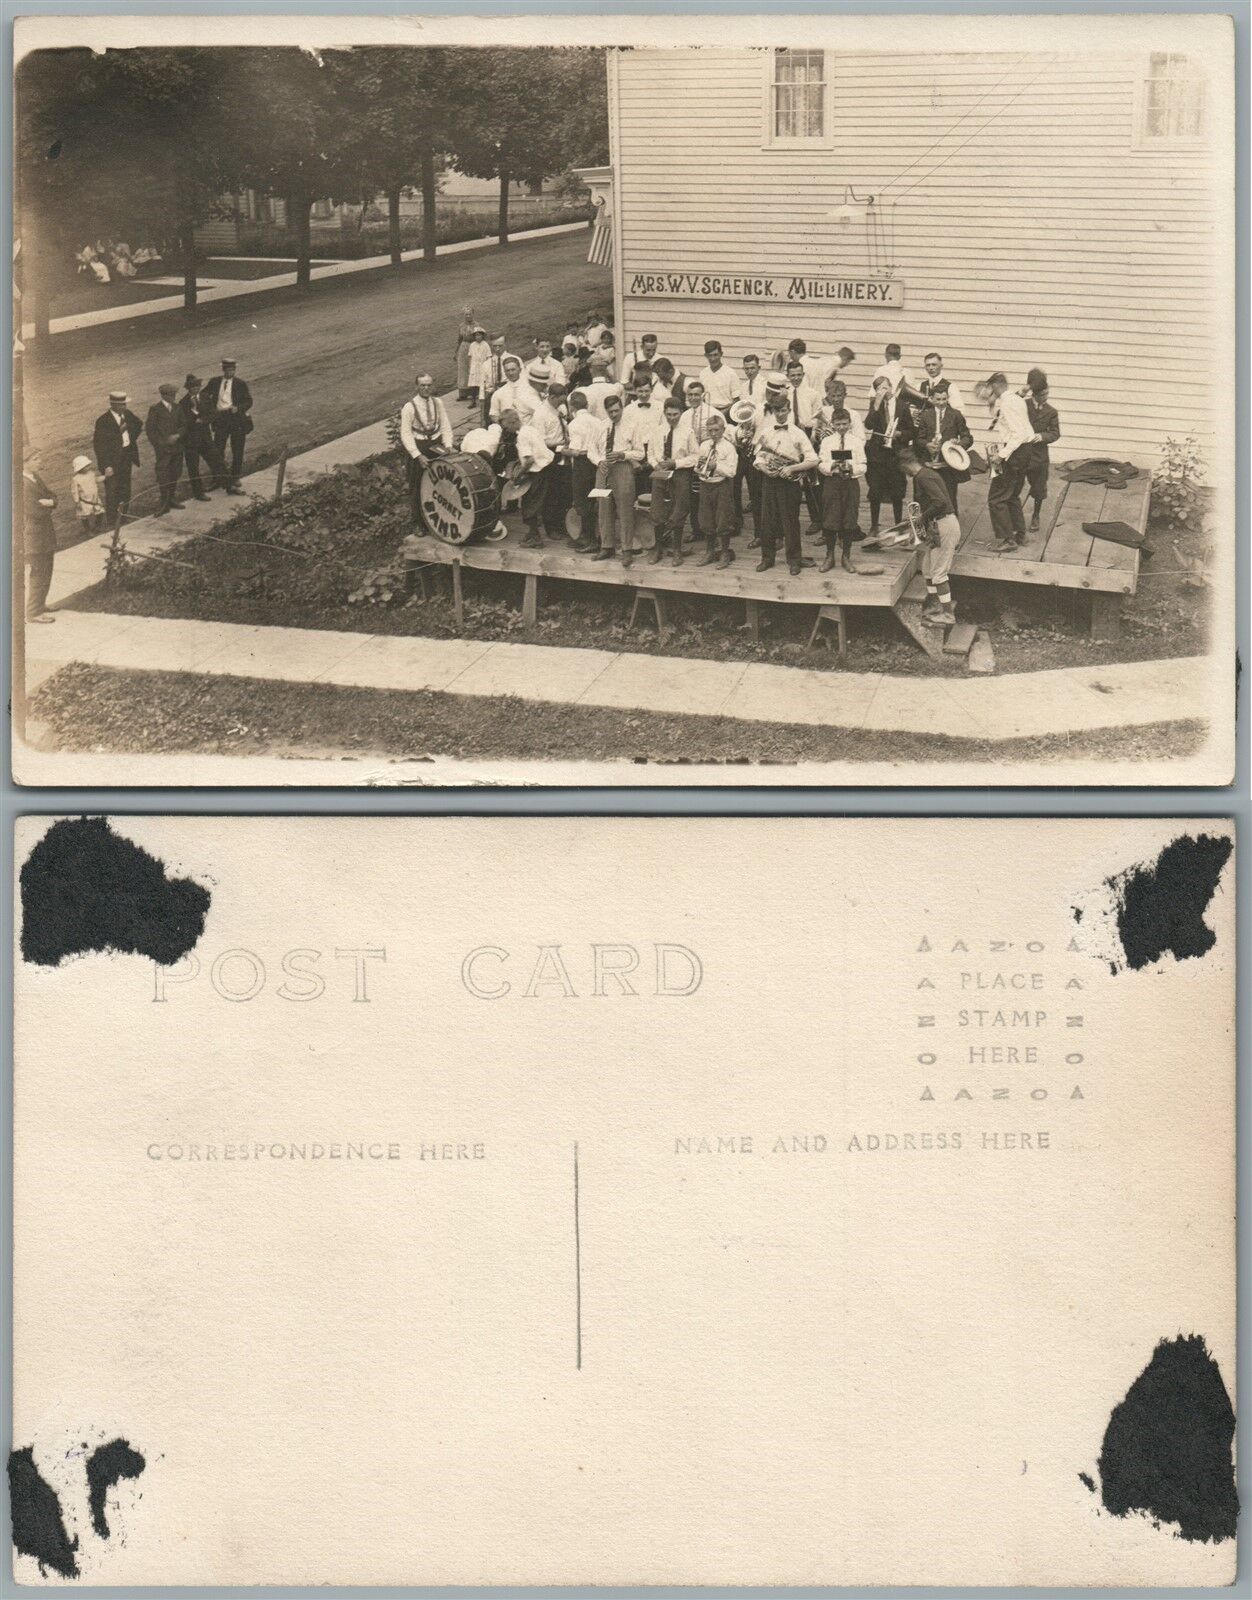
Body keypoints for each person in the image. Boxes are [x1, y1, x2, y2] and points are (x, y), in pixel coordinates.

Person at [753, 385, 817, 575]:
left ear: (788, 411)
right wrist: (764, 468)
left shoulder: (798, 433)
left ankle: (794, 559)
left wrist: (791, 468)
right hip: (769, 480)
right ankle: (767, 558)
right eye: (776, 411)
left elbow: (813, 459)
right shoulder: (766, 432)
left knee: (790, 522)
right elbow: (759, 458)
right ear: (772, 412)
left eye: (783, 410)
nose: (780, 414)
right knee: (767, 521)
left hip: (789, 482)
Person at [899, 443, 961, 627]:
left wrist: (920, 520)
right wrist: (914, 527)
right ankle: (935, 606)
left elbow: (940, 502)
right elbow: (926, 506)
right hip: (937, 526)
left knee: (939, 574)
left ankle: (948, 615)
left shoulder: (923, 477)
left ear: (906, 465)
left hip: (945, 525)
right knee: (927, 568)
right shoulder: (926, 474)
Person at [981, 370, 1035, 552]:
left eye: (990, 388)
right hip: (1025, 452)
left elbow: (1017, 433)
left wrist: (1002, 455)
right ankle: (1020, 535)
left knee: (996, 498)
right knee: (1012, 495)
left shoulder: (1008, 403)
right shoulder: (1015, 399)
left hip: (1015, 451)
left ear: (996, 385)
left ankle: (1008, 540)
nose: (990, 392)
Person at [816, 397, 867, 574]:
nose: (842, 427)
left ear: (850, 423)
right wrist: (832, 467)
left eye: (845, 424)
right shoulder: (827, 442)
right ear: (833, 424)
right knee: (830, 518)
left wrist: (851, 468)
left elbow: (863, 465)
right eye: (838, 424)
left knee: (849, 519)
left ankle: (846, 556)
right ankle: (829, 555)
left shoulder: (857, 442)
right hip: (832, 483)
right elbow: (820, 463)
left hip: (850, 484)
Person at [521, 381, 572, 547]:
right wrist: (560, 445)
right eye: (559, 401)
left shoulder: (559, 409)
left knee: (564, 492)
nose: (562, 404)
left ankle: (560, 523)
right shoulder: (540, 414)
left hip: (563, 453)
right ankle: (551, 527)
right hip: (551, 456)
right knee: (552, 493)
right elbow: (540, 441)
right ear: (551, 396)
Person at [913, 384, 973, 517]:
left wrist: (959, 444)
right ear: (932, 399)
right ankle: (929, 530)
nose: (941, 403)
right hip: (929, 465)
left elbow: (967, 437)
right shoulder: (925, 416)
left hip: (948, 466)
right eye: (938, 399)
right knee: (928, 499)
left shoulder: (956, 415)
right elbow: (919, 439)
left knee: (949, 498)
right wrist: (927, 445)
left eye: (944, 399)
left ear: (948, 398)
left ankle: (951, 529)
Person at [617, 377, 661, 559]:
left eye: (646, 390)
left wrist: (653, 459)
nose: (643, 395)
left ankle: (653, 540)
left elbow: (661, 433)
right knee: (634, 498)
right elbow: (625, 437)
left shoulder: (659, 407)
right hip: (634, 454)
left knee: (653, 498)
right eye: (640, 391)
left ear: (651, 389)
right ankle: (635, 540)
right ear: (635, 391)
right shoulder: (628, 410)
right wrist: (634, 461)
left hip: (653, 454)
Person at [864, 374, 913, 533]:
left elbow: (911, 431)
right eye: (879, 389)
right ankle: (874, 525)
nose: (883, 391)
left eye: (885, 387)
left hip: (895, 455)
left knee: (897, 492)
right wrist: (876, 405)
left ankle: (898, 524)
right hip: (877, 455)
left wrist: (900, 434)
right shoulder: (875, 405)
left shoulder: (902, 406)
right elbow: (869, 425)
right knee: (875, 491)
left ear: (891, 387)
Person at [593, 392, 637, 565]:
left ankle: (627, 549)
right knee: (603, 506)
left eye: (616, 411)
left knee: (625, 508)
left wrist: (623, 454)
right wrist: (598, 461)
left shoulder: (632, 426)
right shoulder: (600, 426)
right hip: (603, 469)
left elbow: (640, 453)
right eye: (610, 412)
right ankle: (607, 546)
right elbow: (591, 449)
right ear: (605, 411)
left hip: (623, 468)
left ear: (622, 407)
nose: (614, 415)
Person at [693, 412, 739, 568]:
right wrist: (699, 467)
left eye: (716, 430)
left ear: (723, 429)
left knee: (723, 520)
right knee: (706, 520)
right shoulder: (704, 445)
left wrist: (716, 466)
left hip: (722, 486)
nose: (713, 433)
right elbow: (697, 466)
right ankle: (710, 551)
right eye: (710, 430)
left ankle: (725, 553)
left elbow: (732, 472)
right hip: (706, 485)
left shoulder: (729, 447)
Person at [93, 389, 142, 531]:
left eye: (125, 404)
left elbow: (139, 424)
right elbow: (99, 446)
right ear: (113, 405)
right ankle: (111, 520)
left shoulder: (127, 415)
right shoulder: (103, 421)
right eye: (121, 405)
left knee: (125, 488)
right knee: (112, 490)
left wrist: (129, 438)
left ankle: (123, 516)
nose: (124, 407)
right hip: (112, 462)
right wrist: (106, 465)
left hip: (126, 457)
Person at [646, 395, 688, 566]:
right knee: (657, 510)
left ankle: (677, 549)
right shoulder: (657, 431)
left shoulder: (687, 432)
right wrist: (656, 465)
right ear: (664, 413)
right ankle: (658, 548)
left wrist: (676, 463)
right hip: (661, 474)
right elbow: (650, 454)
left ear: (681, 413)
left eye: (675, 414)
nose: (672, 418)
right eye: (669, 414)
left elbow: (695, 456)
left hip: (679, 474)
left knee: (678, 510)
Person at [201, 358, 253, 493]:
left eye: (233, 370)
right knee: (218, 449)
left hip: (236, 419)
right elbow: (203, 395)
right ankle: (218, 478)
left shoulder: (240, 384)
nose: (230, 372)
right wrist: (211, 408)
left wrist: (239, 408)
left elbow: (248, 401)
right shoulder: (215, 382)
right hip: (220, 419)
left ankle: (235, 476)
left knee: (237, 448)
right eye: (228, 370)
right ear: (223, 370)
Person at [564, 390, 607, 552]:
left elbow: (575, 451)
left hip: (582, 463)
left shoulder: (574, 424)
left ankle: (590, 540)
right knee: (593, 499)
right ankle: (587, 536)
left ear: (571, 407)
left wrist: (563, 450)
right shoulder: (598, 421)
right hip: (595, 464)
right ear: (587, 405)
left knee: (582, 500)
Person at [400, 373, 455, 495]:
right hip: (419, 447)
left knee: (444, 480)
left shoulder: (437, 402)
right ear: (417, 387)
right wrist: (417, 455)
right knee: (418, 486)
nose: (426, 388)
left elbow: (445, 425)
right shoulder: (409, 407)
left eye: (429, 385)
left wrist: (448, 445)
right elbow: (406, 434)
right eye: (422, 385)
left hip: (436, 444)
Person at [1021, 368, 1061, 532]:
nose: (1046, 397)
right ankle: (1014, 516)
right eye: (1042, 394)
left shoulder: (1051, 412)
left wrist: (1042, 437)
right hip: (1021, 454)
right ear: (1034, 394)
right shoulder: (1023, 405)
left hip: (1039, 457)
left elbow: (1055, 433)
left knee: (1038, 488)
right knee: (1014, 485)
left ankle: (1036, 515)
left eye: (1047, 393)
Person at [22, 456, 57, 624]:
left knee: (47, 569)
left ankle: (40, 605)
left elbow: (53, 496)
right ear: (24, 462)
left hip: (45, 532)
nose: (39, 461)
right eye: (35, 459)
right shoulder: (22, 483)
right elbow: (33, 511)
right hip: (33, 536)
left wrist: (49, 502)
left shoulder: (35, 477)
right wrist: (49, 505)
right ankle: (33, 612)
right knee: (39, 572)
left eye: (38, 458)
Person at [178, 375, 222, 501]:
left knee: (216, 460)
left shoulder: (205, 397)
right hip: (191, 440)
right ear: (188, 388)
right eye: (193, 387)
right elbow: (184, 422)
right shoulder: (183, 403)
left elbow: (214, 414)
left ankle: (226, 483)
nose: (196, 388)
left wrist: (203, 420)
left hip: (205, 437)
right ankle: (198, 493)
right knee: (193, 467)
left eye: (198, 386)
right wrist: (194, 421)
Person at [145, 384, 186, 514]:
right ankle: (164, 503)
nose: (173, 397)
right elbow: (150, 431)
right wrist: (161, 444)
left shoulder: (178, 407)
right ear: (163, 395)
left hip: (177, 448)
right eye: (171, 395)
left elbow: (184, 425)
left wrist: (178, 435)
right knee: (163, 475)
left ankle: (172, 499)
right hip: (163, 450)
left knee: (175, 473)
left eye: (174, 395)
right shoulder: (155, 410)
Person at [488, 356, 540, 425]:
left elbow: (539, 412)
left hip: (527, 429)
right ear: (504, 372)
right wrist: (504, 426)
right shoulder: (499, 393)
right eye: (508, 370)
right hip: (507, 431)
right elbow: (493, 414)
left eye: (513, 370)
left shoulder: (531, 389)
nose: (510, 373)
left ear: (520, 370)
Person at [573, 354, 622, 421]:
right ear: (606, 370)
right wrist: (608, 374)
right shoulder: (616, 388)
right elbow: (618, 383)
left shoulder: (582, 391)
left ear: (590, 370)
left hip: (591, 428)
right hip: (610, 427)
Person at [696, 340, 740, 414]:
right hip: (708, 412)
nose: (713, 359)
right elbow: (702, 398)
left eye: (715, 355)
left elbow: (736, 400)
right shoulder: (703, 373)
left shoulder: (730, 373)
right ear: (705, 355)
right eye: (710, 355)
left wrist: (723, 412)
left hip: (727, 413)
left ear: (721, 354)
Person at [918, 352, 965, 417]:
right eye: (928, 365)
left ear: (941, 366)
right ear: (925, 367)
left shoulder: (951, 387)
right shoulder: (919, 386)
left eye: (934, 364)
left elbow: (959, 412)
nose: (931, 368)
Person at [69, 453, 105, 533]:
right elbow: (74, 491)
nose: (89, 467)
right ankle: (87, 529)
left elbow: (96, 479)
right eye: (86, 466)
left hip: (94, 499)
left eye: (89, 465)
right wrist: (77, 501)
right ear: (80, 468)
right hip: (84, 501)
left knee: (100, 512)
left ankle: (97, 526)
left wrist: (105, 477)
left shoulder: (91, 474)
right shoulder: (76, 479)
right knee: (84, 515)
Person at [465, 328, 493, 404]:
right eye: (476, 335)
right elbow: (470, 356)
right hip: (474, 367)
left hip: (483, 366)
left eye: (479, 335)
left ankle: (484, 400)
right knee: (473, 384)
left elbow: (489, 356)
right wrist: (470, 367)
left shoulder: (485, 345)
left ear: (482, 336)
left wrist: (488, 367)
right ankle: (473, 401)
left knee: (483, 384)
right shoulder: (472, 345)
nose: (478, 337)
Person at [455, 307, 477, 400]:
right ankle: (463, 394)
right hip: (463, 347)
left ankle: (473, 393)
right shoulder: (461, 326)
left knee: (472, 369)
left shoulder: (476, 325)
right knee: (462, 369)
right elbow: (459, 339)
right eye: (466, 314)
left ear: (473, 314)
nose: (468, 316)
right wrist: (456, 352)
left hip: (473, 346)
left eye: (469, 314)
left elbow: (480, 337)